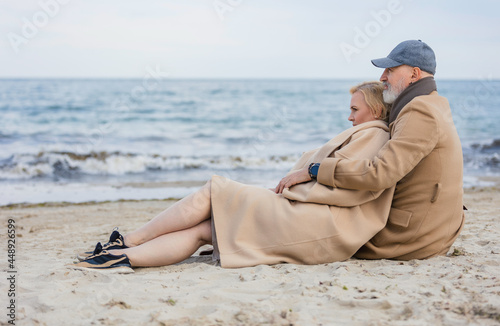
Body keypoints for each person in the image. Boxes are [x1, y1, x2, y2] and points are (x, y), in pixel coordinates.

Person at [72, 81, 394, 272]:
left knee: (214, 190)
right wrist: (290, 188)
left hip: (317, 221)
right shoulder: (368, 133)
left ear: (376, 111)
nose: (349, 115)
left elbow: (352, 185)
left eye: (355, 109)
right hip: (309, 214)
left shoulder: (374, 135)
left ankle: (127, 243)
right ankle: (124, 256)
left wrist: (295, 185)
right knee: (205, 229)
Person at [291, 40, 465, 260]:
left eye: (390, 70)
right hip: (433, 229)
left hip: (408, 236)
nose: (382, 77)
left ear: (414, 74)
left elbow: (379, 173)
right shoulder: (435, 103)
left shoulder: (419, 110)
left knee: (304, 225)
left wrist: (314, 170)